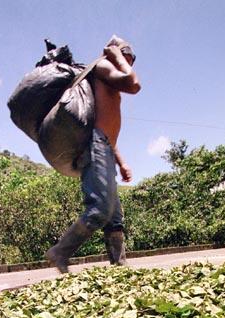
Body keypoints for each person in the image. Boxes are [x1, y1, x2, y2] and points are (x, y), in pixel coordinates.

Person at [45, 35, 141, 273]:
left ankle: (118, 267)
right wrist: (115, 55)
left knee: (115, 216)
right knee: (100, 209)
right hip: (97, 146)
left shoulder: (107, 74)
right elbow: (133, 84)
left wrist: (121, 163)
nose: (128, 65)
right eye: (126, 58)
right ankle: (60, 251)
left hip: (105, 147)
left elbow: (106, 127)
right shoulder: (103, 65)